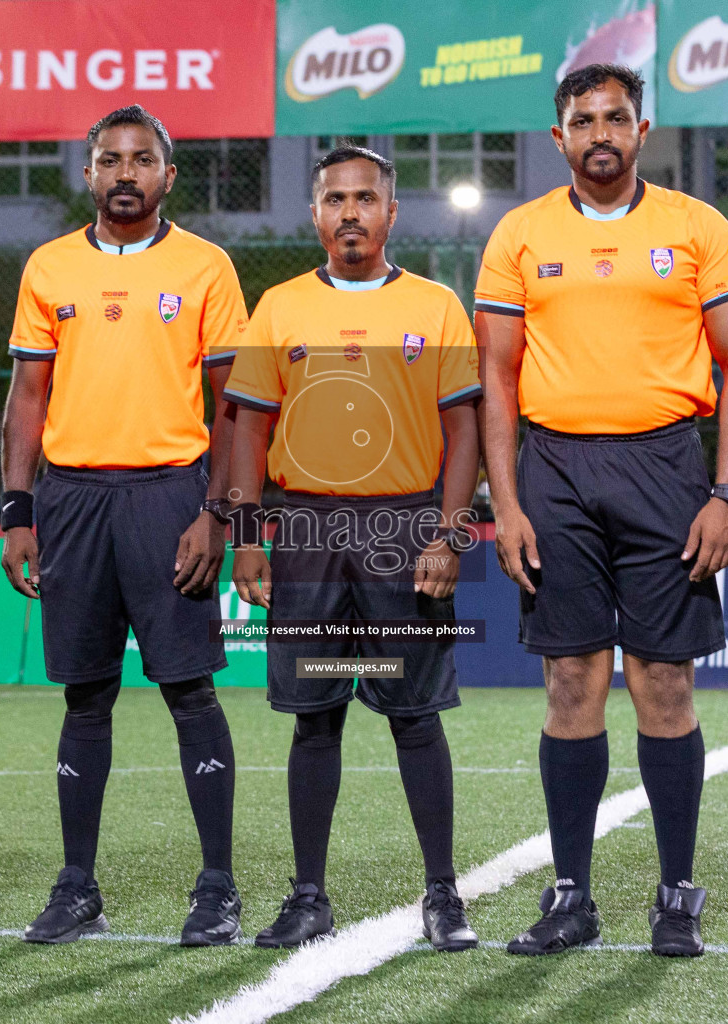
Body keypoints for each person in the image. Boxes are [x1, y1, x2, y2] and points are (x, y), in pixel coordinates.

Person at [476, 63, 728, 957]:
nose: (601, 133)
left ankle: (678, 892)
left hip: (666, 467)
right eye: (582, 120)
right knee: (570, 683)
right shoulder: (519, 235)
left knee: (664, 683)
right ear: (557, 138)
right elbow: (496, 376)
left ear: (643, 130)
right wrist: (507, 504)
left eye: (616, 118)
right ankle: (572, 897)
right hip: (553, 469)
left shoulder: (697, 227)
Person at [225, 146, 484, 951]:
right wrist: (246, 539)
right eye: (335, 198)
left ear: (391, 212)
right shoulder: (278, 308)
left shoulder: (438, 307)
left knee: (414, 718)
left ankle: (443, 895)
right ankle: (308, 896)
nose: (349, 213)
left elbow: (463, 429)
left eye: (364, 198)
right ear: (315, 214)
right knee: (316, 717)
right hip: (304, 533)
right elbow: (248, 429)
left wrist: (449, 533)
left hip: (402, 532)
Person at [1, 105, 248, 947]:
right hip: (70, 501)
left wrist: (217, 514)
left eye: (143, 160)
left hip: (170, 498)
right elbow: (26, 398)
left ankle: (216, 886)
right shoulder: (48, 267)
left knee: (189, 689)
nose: (126, 173)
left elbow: (234, 409)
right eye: (111, 159)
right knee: (85, 693)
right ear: (89, 172)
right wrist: (18, 511)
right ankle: (77, 886)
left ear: (168, 176)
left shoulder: (207, 266)